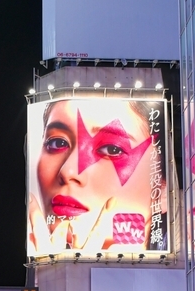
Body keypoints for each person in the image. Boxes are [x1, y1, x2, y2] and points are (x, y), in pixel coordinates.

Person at [27, 98, 169, 255]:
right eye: (58, 143)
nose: (68, 171)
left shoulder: (187, 267)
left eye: (112, 149)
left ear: (163, 189)